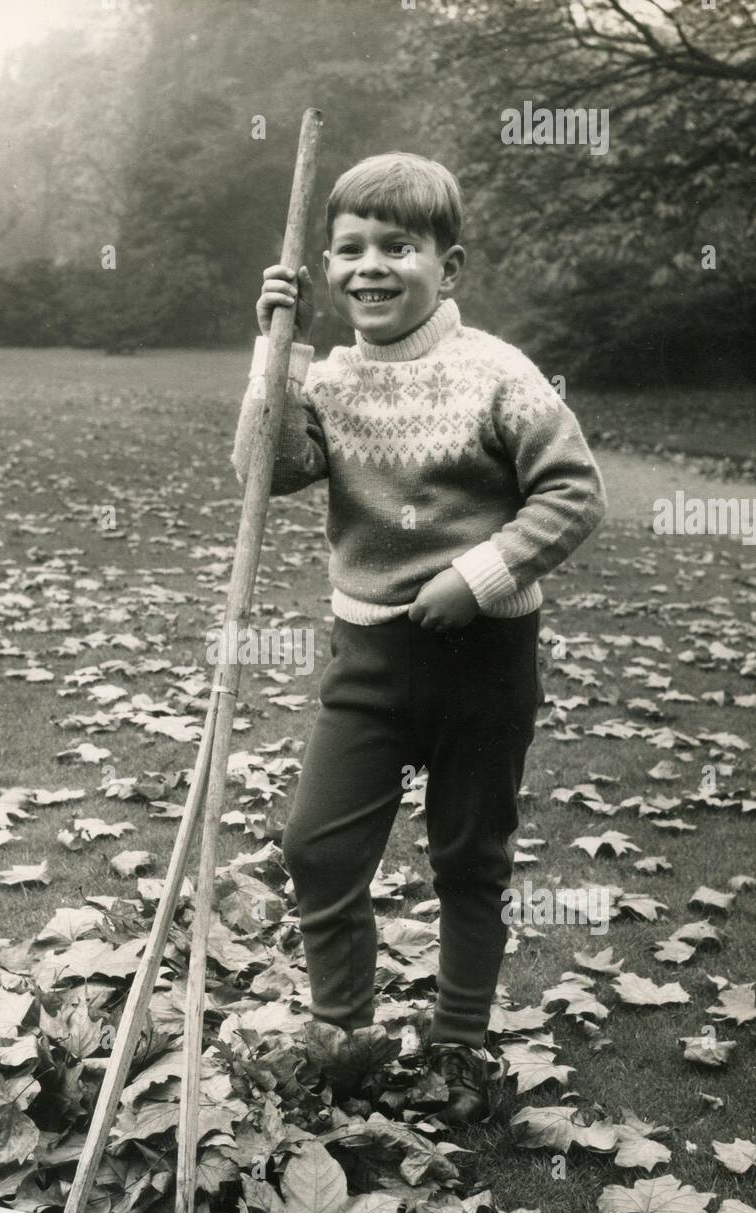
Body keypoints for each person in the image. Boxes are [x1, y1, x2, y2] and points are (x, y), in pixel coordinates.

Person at [231, 152, 607, 1125]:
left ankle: (458, 1045)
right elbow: (264, 472)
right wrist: (272, 354)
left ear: (451, 264)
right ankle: (343, 1032)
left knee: (468, 859)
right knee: (316, 845)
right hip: (369, 664)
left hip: (482, 665)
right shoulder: (332, 376)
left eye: (398, 245)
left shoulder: (496, 372)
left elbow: (573, 493)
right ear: (327, 266)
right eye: (350, 247)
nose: (371, 265)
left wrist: (476, 577)